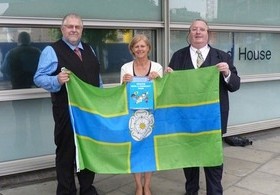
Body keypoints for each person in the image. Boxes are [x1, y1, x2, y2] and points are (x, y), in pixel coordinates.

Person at [167, 19, 240, 195]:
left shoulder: (222, 56)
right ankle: (191, 190)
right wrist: (168, 78)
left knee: (212, 157)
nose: (198, 32)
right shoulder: (178, 56)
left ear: (209, 33)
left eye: (202, 29)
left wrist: (227, 73)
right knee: (189, 157)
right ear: (189, 33)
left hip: (213, 118)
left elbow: (235, 85)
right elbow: (171, 90)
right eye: (194, 29)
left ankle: (214, 192)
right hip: (186, 119)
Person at [34, 13, 101, 195]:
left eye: (77, 27)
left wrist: (102, 99)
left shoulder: (89, 49)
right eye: (69, 26)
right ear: (62, 29)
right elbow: (38, 78)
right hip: (66, 113)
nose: (73, 30)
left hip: (89, 113)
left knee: (88, 150)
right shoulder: (52, 51)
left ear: (82, 29)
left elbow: (97, 79)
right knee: (66, 153)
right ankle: (66, 191)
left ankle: (87, 189)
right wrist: (56, 80)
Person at [120, 34, 163, 195]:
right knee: (136, 150)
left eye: (142, 46)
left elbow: (162, 93)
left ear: (148, 48)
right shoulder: (126, 68)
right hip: (133, 116)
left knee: (149, 150)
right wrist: (124, 82)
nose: (139, 49)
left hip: (152, 115)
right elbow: (121, 94)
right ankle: (138, 185)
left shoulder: (157, 67)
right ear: (132, 49)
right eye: (136, 46)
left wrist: (158, 80)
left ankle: (147, 185)